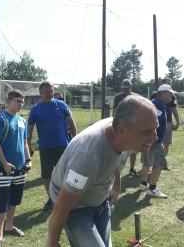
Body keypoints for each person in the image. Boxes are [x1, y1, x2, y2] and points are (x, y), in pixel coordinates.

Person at [46, 95, 158, 247]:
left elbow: (116, 161)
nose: (155, 137)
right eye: (147, 132)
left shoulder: (124, 136)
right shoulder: (87, 157)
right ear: (122, 130)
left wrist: (116, 188)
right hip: (75, 206)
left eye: (155, 129)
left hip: (100, 200)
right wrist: (52, 242)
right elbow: (61, 207)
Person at [0, 89, 32, 247]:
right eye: (17, 101)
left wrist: (28, 160)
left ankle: (9, 226)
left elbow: (26, 143)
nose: (20, 104)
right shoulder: (1, 119)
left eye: (22, 101)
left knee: (14, 200)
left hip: (20, 168)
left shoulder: (22, 120)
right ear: (9, 101)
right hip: (3, 168)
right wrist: (5, 164)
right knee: (2, 202)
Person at [28, 81, 77, 212]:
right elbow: (30, 129)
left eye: (52, 91)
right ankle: (51, 199)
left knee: (65, 174)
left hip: (62, 146)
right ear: (41, 93)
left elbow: (71, 123)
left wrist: (75, 139)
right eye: (48, 92)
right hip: (45, 148)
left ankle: (64, 199)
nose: (50, 94)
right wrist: (28, 146)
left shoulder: (61, 105)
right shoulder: (35, 109)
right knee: (46, 175)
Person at [140, 84, 174, 198]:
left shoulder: (153, 102)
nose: (172, 96)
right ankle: (152, 188)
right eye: (170, 93)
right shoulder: (158, 104)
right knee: (159, 163)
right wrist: (152, 139)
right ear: (163, 93)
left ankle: (143, 183)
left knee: (146, 162)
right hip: (155, 139)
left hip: (148, 138)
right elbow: (154, 122)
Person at [149, 78, 180, 170]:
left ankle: (162, 162)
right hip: (156, 124)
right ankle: (153, 162)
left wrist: (178, 122)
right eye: (168, 83)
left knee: (166, 143)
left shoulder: (172, 96)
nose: (170, 85)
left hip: (167, 122)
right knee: (155, 142)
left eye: (171, 83)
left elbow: (174, 108)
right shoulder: (155, 97)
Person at [112, 79, 140, 177]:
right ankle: (115, 169)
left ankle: (132, 169)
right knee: (119, 148)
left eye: (127, 88)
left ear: (131, 86)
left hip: (133, 126)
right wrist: (113, 121)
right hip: (121, 126)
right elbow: (114, 110)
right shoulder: (118, 97)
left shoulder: (137, 97)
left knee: (133, 149)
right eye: (123, 88)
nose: (125, 90)